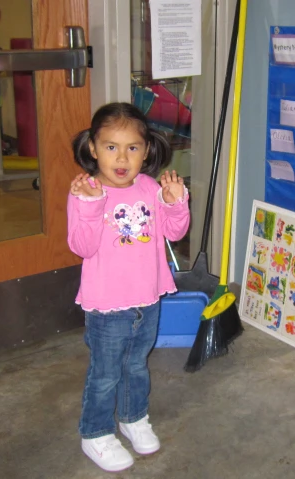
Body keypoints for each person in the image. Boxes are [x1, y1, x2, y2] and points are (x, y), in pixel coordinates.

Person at [67, 102, 190, 472]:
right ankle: (96, 432)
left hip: (147, 299)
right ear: (92, 147)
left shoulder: (150, 187)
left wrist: (174, 203)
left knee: (136, 365)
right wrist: (89, 207)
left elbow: (174, 233)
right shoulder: (85, 192)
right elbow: (82, 247)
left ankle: (133, 417)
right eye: (110, 147)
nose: (121, 158)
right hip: (106, 306)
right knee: (105, 373)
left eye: (132, 148)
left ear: (147, 150)